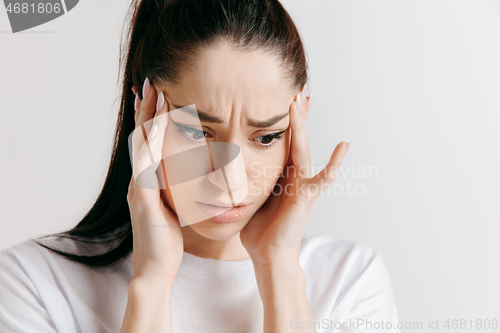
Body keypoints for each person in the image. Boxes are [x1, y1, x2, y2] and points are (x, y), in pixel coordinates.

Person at [0, 0, 400, 332]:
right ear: (145, 110)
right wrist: (152, 283)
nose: (230, 181)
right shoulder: (34, 284)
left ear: (297, 126)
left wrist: (278, 269)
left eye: (265, 137)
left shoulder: (351, 280)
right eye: (196, 132)